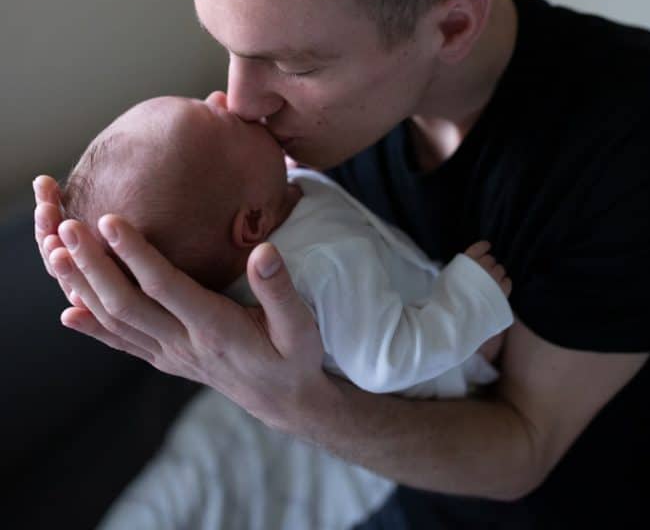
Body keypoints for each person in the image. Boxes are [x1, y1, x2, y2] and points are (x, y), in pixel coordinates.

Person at [34, 0, 650, 528]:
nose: (240, 101)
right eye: (229, 45)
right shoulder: (270, 146)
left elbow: (522, 450)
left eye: (294, 64)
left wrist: (283, 400)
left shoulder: (640, 138)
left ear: (450, 26)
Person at [61, 92, 513, 396]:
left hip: (412, 296)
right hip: (441, 366)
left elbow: (291, 187)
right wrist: (462, 299)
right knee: (498, 333)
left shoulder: (267, 202)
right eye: (220, 118)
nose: (224, 97)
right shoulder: (317, 267)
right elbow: (385, 363)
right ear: (254, 222)